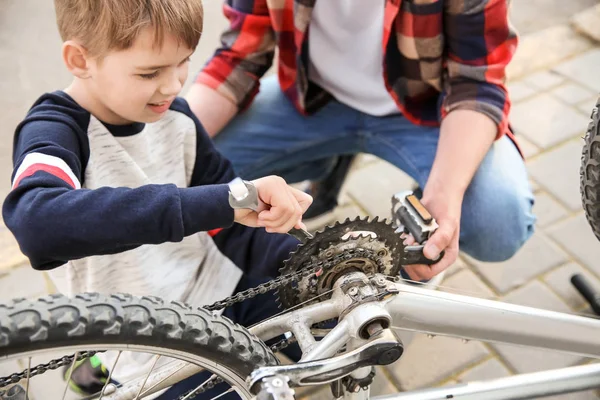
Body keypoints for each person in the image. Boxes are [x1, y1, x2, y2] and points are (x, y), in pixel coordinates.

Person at [1, 0, 312, 397]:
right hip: (148, 338)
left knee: (339, 332)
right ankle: (92, 364)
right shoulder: (56, 131)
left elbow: (233, 226)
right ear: (80, 59)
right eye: (149, 72)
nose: (173, 85)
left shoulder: (177, 118)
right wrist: (219, 201)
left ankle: (88, 364)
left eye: (183, 62)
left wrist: (304, 260)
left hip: (225, 284)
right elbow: (36, 225)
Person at [186, 0, 537, 282]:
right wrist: (169, 139)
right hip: (316, 101)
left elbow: (476, 85)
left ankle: (420, 204)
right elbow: (237, 59)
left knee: (497, 224)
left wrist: (442, 201)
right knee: (196, 170)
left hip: (426, 111)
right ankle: (328, 163)